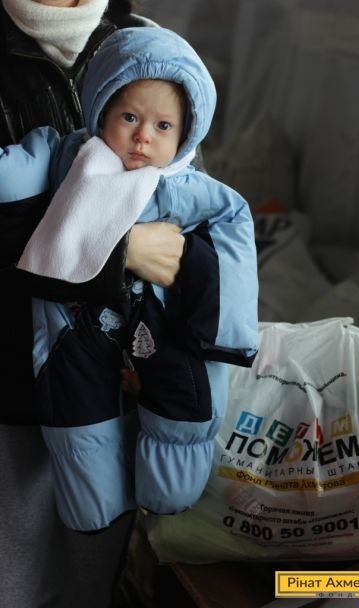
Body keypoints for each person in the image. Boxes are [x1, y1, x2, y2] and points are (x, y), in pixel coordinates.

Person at [7, 25, 259, 532]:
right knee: (77, 405)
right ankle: (92, 504)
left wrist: (225, 335)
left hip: (163, 321)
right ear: (101, 111)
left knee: (181, 391)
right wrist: (127, 249)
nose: (144, 136)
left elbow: (234, 233)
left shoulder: (190, 186)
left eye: (163, 126)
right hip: (76, 322)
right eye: (129, 118)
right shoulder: (71, 159)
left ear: (186, 133)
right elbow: (13, 181)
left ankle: (170, 490)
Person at [0, 1, 185, 607]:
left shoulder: (146, 42)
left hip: (116, 380)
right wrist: (118, 252)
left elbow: (183, 204)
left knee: (89, 582)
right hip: (11, 388)